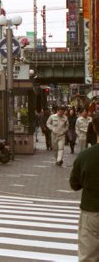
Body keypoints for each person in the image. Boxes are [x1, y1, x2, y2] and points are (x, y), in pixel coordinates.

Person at [69, 111, 99, 262]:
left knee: (89, 256)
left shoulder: (85, 156)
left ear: (94, 127)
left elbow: (74, 184)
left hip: (91, 211)